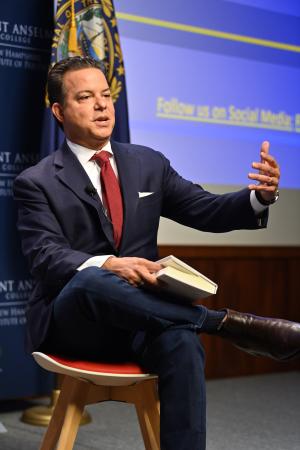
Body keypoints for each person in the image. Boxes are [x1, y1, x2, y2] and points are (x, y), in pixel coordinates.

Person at [14, 56, 300, 450]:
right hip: (75, 327)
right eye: (85, 97)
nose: (101, 105)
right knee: (92, 278)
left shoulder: (148, 163)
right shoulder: (37, 181)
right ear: (59, 112)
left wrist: (259, 197)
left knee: (182, 342)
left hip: (142, 320)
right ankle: (224, 323)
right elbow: (45, 257)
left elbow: (207, 210)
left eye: (105, 95)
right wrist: (110, 264)